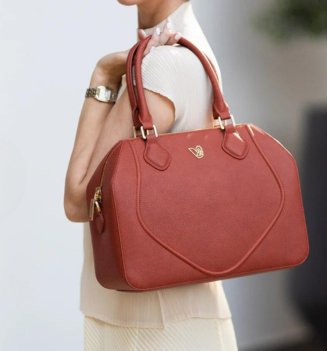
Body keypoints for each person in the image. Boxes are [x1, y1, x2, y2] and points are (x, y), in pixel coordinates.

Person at [64, 0, 238, 349]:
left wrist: (101, 76)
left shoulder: (162, 66)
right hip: (163, 314)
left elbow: (79, 201)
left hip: (153, 327)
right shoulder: (183, 51)